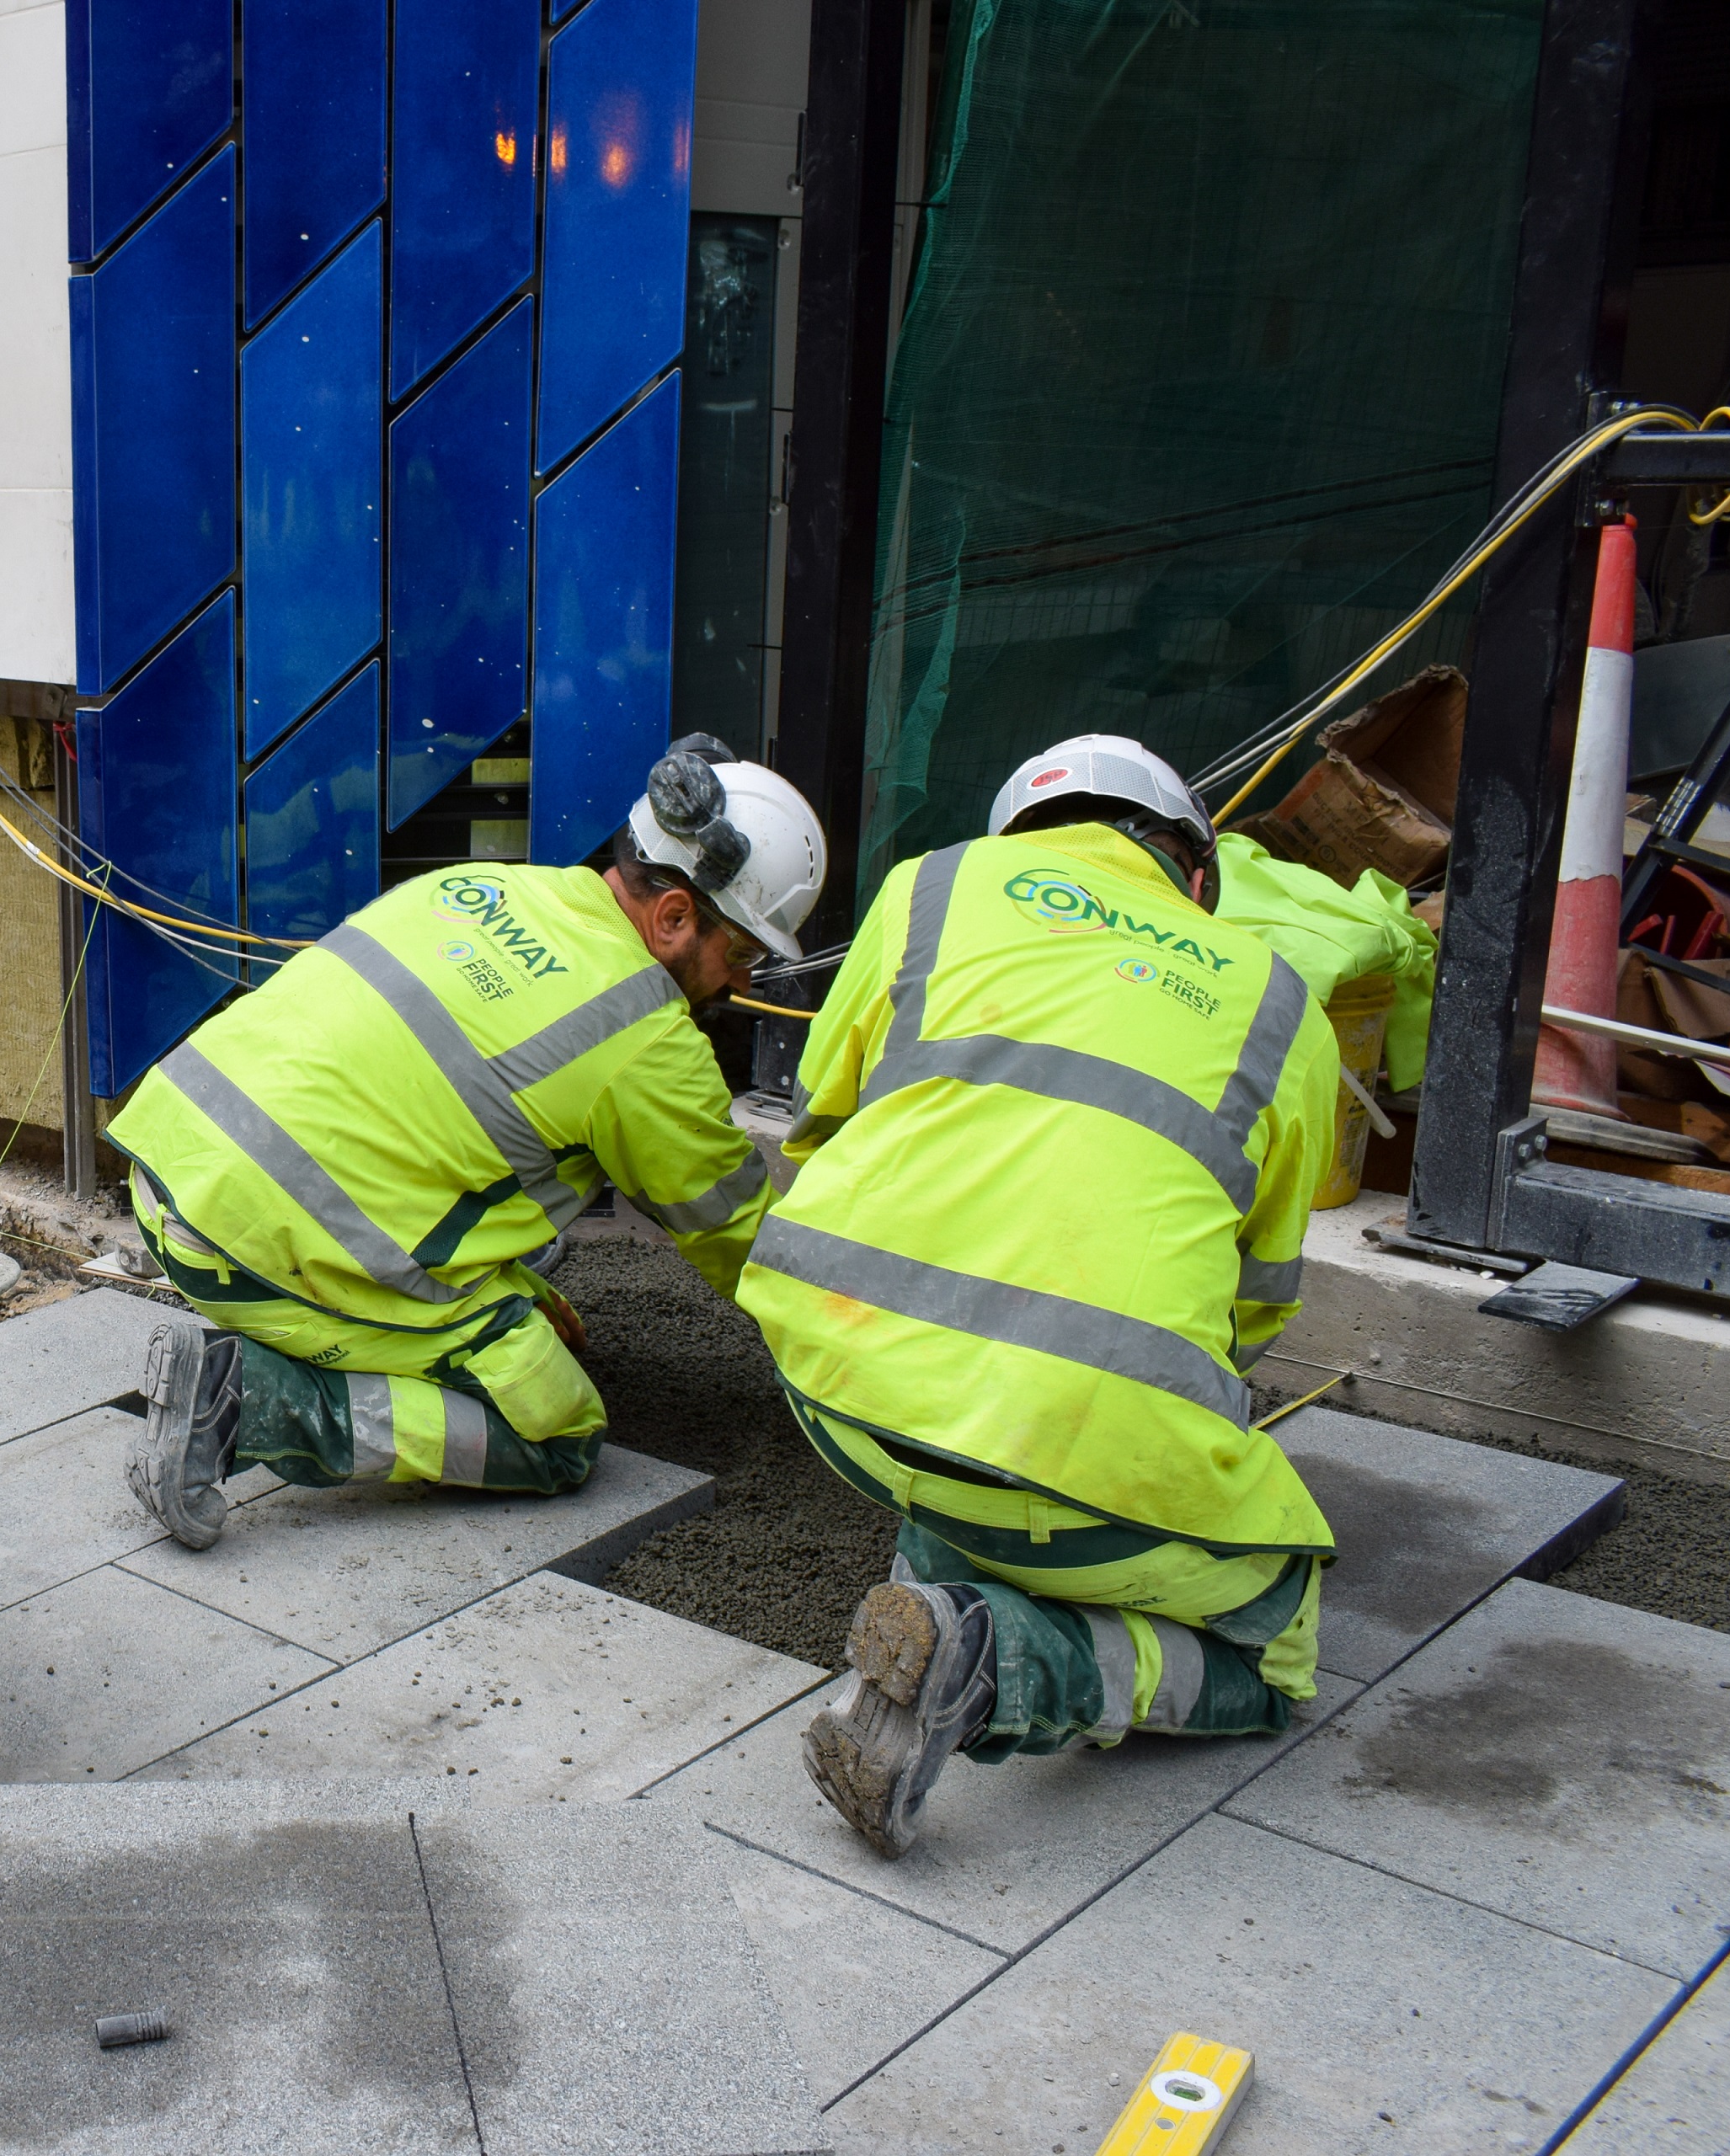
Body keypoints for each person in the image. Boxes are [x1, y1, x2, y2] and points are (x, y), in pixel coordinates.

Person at [736, 735, 1341, 1859]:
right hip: (1071, 1438)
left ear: (1017, 839)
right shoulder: (1278, 1003)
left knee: (989, 1438)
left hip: (836, 1386)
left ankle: (947, 1576)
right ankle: (1000, 1662)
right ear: (1197, 881)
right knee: (1279, 1639)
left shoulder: (931, 888)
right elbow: (1252, 1307)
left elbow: (816, 1128)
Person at [110, 737, 830, 1549]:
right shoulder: (647, 1042)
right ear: (673, 917)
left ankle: (414, 1319)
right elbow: (750, 1248)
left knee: (511, 1269)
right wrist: (864, 1360)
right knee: (557, 1432)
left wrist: (514, 1284)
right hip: (253, 1251)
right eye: (741, 953)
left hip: (169, 1172)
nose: (739, 982)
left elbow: (418, 1120)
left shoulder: (486, 885)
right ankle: (243, 1401)